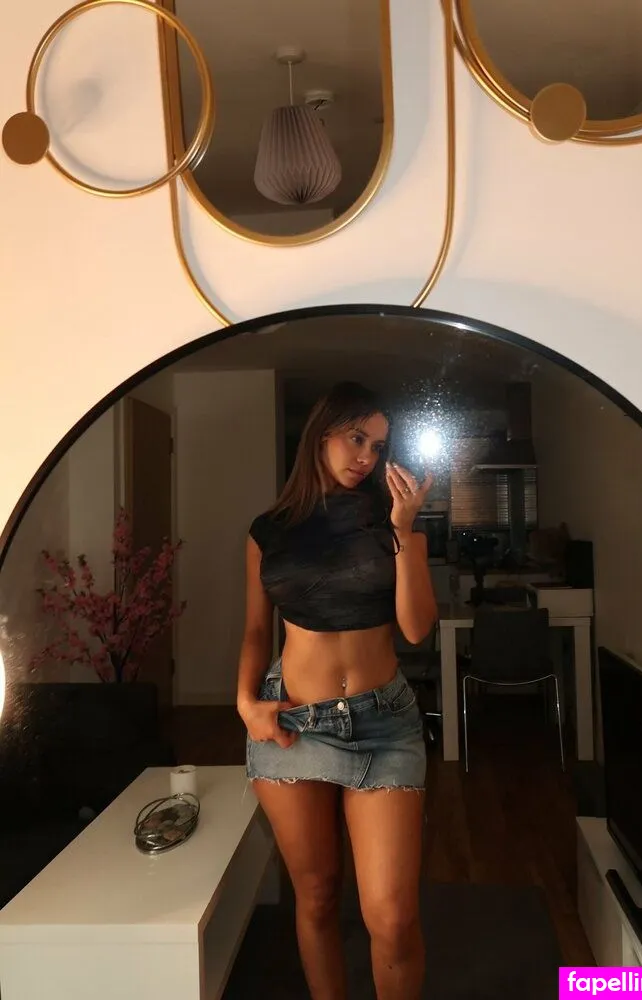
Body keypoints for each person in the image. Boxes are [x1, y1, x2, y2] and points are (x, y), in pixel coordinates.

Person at [236, 381, 437, 1000]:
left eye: (378, 446)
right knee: (318, 895)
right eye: (357, 438)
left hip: (385, 725)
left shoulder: (391, 520)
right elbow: (256, 629)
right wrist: (245, 703)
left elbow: (416, 628)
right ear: (321, 434)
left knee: (392, 917)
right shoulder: (267, 531)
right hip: (294, 723)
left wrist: (404, 529)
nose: (368, 457)